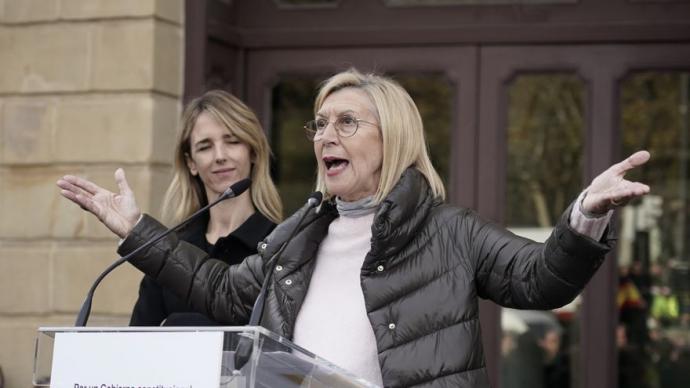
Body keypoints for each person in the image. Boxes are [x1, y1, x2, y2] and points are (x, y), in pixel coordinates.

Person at [57, 68, 651, 388]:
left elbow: (543, 281)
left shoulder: (450, 231)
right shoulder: (299, 234)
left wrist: (584, 216)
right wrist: (137, 229)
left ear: (391, 138)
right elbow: (223, 291)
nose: (324, 136)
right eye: (318, 125)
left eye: (346, 121)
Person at [130, 90, 282, 326]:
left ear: (252, 151)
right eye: (205, 147)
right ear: (191, 163)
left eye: (232, 142)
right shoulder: (170, 250)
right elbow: (137, 346)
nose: (220, 156)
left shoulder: (280, 247)